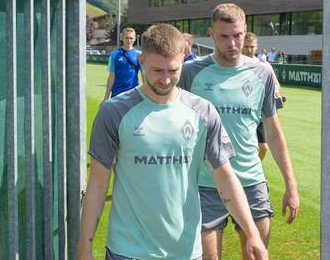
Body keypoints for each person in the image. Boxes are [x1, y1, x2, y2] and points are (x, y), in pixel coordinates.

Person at [77, 24, 268, 260]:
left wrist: (252, 233)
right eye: (157, 70)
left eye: (173, 70)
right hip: (128, 251)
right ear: (142, 61)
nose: (166, 80)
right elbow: (97, 185)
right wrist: (84, 248)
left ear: (182, 62)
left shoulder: (203, 112)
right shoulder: (114, 112)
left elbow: (225, 178)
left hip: (185, 251)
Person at [178, 3, 300, 260]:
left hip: (251, 182)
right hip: (205, 184)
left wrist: (291, 185)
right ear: (211, 34)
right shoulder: (191, 73)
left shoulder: (263, 72)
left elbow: (274, 133)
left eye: (238, 35)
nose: (233, 43)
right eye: (224, 36)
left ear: (246, 32)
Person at [242, 32, 284, 160]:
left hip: (259, 114)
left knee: (263, 147)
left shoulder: (264, 66)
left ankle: (255, 169)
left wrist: (277, 95)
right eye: (246, 46)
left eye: (252, 46)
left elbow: (276, 85)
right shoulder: (235, 64)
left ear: (257, 47)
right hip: (240, 113)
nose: (249, 49)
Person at [103, 27, 142, 102]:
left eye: (131, 38)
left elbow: (144, 75)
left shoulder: (139, 55)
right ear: (122, 38)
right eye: (126, 38)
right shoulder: (114, 55)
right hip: (116, 94)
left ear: (134, 39)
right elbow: (111, 76)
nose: (129, 40)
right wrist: (106, 97)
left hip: (133, 94)